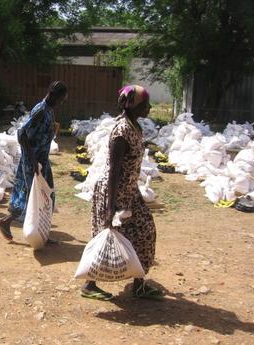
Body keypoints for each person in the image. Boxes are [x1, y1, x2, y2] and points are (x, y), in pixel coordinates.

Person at [80, 85, 163, 301]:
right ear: (132, 105)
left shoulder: (135, 126)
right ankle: (89, 284)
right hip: (113, 193)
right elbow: (113, 171)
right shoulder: (121, 132)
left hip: (130, 192)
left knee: (145, 233)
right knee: (104, 237)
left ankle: (139, 284)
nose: (149, 107)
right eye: (145, 104)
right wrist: (110, 209)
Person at [0, 81, 68, 241]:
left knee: (46, 196)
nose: (61, 103)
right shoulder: (41, 110)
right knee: (35, 197)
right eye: (61, 99)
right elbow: (22, 134)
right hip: (33, 162)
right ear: (53, 94)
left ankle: (40, 231)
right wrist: (34, 161)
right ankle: (12, 224)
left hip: (42, 160)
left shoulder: (49, 110)